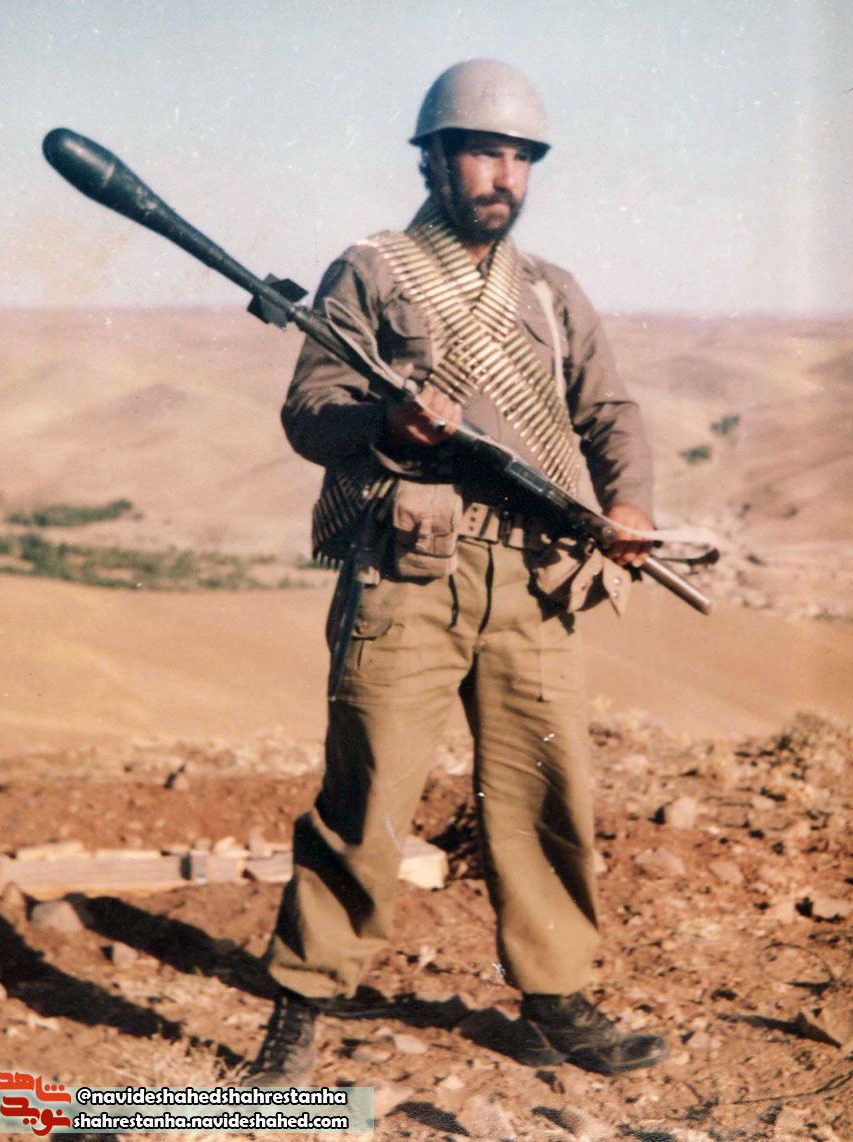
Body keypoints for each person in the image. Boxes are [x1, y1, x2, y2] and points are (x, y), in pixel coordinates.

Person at [246, 59, 667, 1085]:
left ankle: (556, 996)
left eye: (520, 158)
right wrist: (387, 423)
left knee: (544, 789)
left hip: (533, 574)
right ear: (433, 160)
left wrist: (629, 507)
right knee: (368, 791)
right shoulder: (373, 272)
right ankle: (302, 1004)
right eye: (483, 152)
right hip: (408, 569)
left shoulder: (549, 293)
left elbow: (609, 412)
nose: (503, 176)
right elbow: (310, 414)